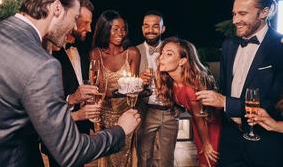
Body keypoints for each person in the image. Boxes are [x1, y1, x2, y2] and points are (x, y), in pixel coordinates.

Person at [0, 0, 140, 167]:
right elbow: (71, 152)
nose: (74, 25)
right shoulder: (42, 65)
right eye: (74, 17)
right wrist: (121, 130)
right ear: (57, 8)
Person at [196, 0, 283, 167]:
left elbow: (275, 104)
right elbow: (226, 88)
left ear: (264, 12)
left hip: (266, 141)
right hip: (231, 138)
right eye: (234, 14)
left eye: (242, 14)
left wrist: (225, 102)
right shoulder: (228, 45)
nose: (235, 20)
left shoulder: (279, 48)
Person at [44, 0, 101, 167]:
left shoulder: (83, 50)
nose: (90, 29)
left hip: (80, 136)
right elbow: (46, 106)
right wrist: (72, 99)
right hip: (59, 138)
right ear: (73, 19)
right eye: (86, 23)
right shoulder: (48, 52)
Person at [158, 37, 221, 167]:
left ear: (182, 60)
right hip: (198, 126)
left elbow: (200, 118)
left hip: (211, 127)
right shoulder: (171, 81)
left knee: (207, 162)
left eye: (169, 54)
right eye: (162, 53)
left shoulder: (191, 88)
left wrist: (206, 143)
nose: (161, 58)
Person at [90, 10, 141, 167]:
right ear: (106, 30)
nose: (121, 33)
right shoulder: (95, 53)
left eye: (123, 28)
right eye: (116, 29)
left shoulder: (132, 53)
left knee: (126, 158)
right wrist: (110, 92)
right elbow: (95, 87)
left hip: (125, 115)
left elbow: (133, 86)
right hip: (103, 115)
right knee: (106, 158)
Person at [137, 11, 179, 167]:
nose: (150, 30)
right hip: (145, 110)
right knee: (144, 157)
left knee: (166, 159)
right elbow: (126, 82)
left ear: (163, 29)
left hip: (170, 111)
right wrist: (138, 81)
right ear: (142, 29)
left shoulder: (173, 50)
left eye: (155, 26)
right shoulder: (134, 51)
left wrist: (178, 105)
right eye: (146, 26)